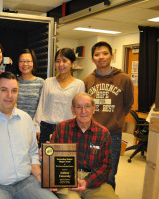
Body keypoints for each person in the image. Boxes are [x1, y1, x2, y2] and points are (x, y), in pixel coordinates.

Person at [83, 41, 134, 190]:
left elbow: (128, 104)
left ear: (111, 55)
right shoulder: (87, 81)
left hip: (113, 135)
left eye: (105, 53)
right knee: (89, 173)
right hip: (91, 134)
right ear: (92, 58)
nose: (101, 57)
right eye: (97, 54)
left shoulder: (124, 79)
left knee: (110, 175)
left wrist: (115, 119)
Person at [49, 92, 118, 199]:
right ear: (73, 110)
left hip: (93, 179)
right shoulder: (61, 128)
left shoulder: (103, 133)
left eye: (87, 106)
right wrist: (45, 154)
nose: (83, 111)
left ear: (93, 109)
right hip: (66, 179)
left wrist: (87, 181)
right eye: (79, 107)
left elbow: (106, 166)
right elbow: (51, 159)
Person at [33, 48, 85, 147]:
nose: (61, 64)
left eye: (64, 61)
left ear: (72, 63)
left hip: (68, 129)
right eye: (57, 61)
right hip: (46, 128)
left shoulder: (79, 84)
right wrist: (36, 127)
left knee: (64, 161)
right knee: (45, 160)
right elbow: (41, 105)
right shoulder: (48, 81)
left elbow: (79, 109)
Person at [16, 49, 44, 119]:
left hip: (33, 125)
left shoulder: (41, 83)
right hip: (15, 123)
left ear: (33, 63)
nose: (25, 64)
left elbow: (42, 108)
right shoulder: (13, 82)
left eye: (28, 61)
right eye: (21, 61)